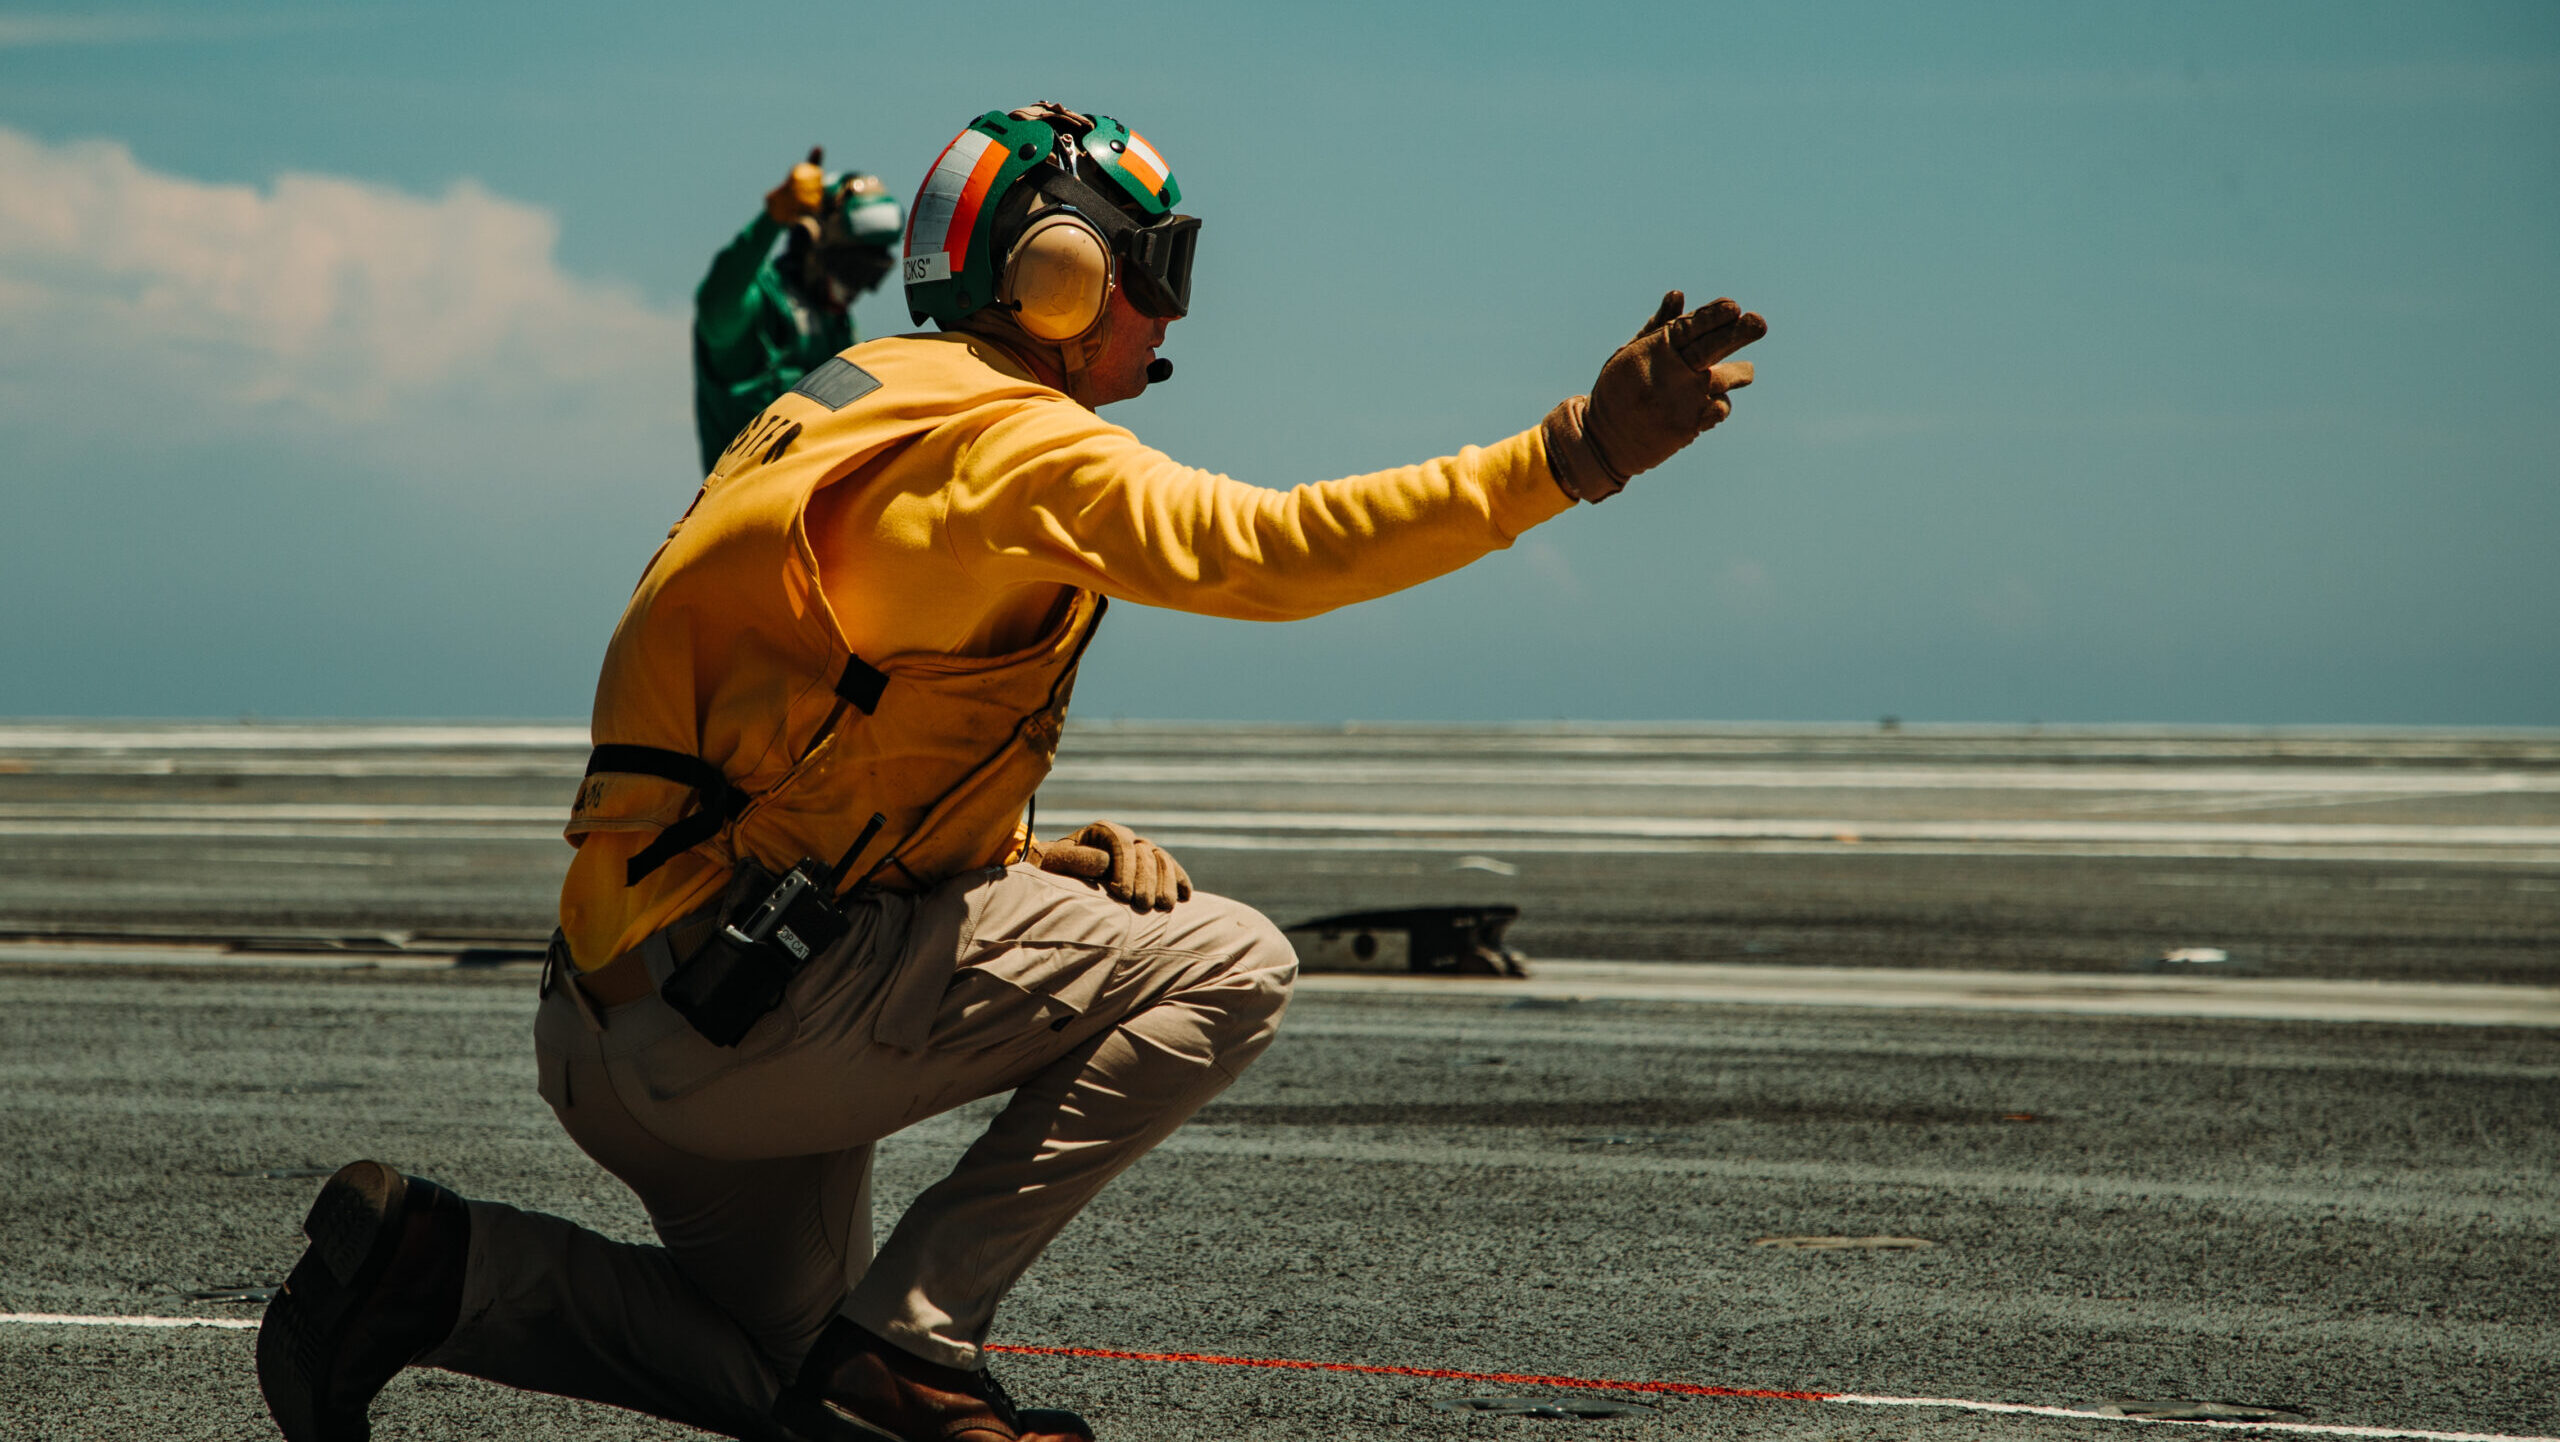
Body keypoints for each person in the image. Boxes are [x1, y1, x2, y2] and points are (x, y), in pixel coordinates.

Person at [253, 102, 1765, 1442]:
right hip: (749, 1017)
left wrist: (1025, 854)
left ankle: (437, 1270)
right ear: (1059, 274)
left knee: (790, 1373)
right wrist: (1577, 451)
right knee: (1231, 961)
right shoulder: (1011, 448)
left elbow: (823, 739)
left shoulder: (836, 398)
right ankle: (914, 1340)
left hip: (613, 1015)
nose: (1167, 314)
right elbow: (1276, 551)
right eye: (1151, 269)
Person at [693, 146, 904, 474]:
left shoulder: (840, 331)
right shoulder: (757, 307)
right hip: (740, 512)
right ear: (812, 241)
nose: (857, 288)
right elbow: (715, 307)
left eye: (872, 274)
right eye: (851, 268)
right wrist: (771, 220)